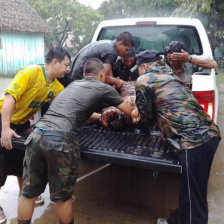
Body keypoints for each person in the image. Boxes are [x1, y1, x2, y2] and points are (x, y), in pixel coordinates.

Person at [17, 58, 134, 224]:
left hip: (37, 134)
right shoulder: (102, 86)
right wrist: (137, 113)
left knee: (28, 193)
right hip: (60, 139)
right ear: (102, 73)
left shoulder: (73, 86)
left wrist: (101, 117)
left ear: (85, 74)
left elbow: (78, 110)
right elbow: (127, 110)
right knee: (62, 198)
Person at [131, 50, 221, 224]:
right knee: (194, 190)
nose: (138, 73)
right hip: (209, 135)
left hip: (192, 141)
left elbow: (146, 119)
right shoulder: (171, 76)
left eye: (138, 69)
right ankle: (176, 220)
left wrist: (135, 113)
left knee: (195, 201)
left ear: (143, 66)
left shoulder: (144, 79)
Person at [0, 46, 71, 223]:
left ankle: (25, 196)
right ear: (55, 62)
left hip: (22, 124)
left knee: (21, 163)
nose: (68, 69)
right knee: (0, 166)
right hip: (3, 120)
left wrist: (100, 115)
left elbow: (69, 106)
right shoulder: (30, 72)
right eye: (66, 65)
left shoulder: (56, 86)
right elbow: (9, 98)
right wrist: (5, 129)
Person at [59, 32, 135, 88]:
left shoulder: (108, 44)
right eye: (126, 49)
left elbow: (108, 73)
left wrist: (113, 81)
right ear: (120, 43)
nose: (126, 53)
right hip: (79, 79)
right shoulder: (112, 51)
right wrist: (118, 82)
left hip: (73, 77)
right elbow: (104, 77)